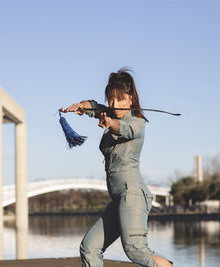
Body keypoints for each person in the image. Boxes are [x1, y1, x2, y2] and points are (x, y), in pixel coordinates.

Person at [60, 68, 173, 267]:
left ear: (131, 99)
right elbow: (94, 107)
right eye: (111, 100)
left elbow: (124, 129)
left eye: (120, 99)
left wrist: (110, 122)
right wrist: (81, 106)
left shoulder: (137, 123)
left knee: (136, 250)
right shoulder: (109, 112)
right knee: (89, 248)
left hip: (133, 195)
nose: (115, 104)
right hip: (118, 198)